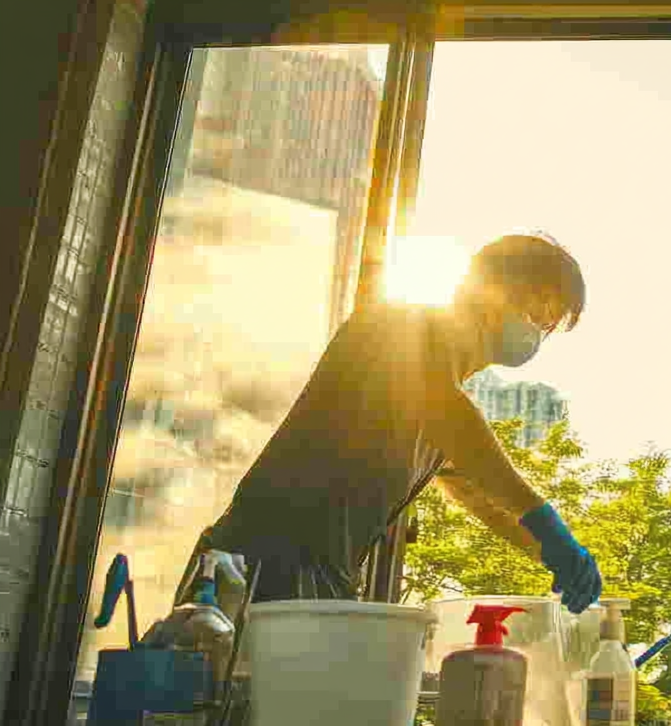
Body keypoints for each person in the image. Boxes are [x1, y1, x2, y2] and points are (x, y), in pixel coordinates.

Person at [174, 233, 603, 613]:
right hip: (255, 568)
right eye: (541, 309)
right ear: (497, 290)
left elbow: (480, 493)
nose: (542, 329)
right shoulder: (398, 326)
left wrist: (553, 555)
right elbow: (448, 414)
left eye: (550, 324)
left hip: (319, 581)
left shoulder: (445, 401)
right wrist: (548, 525)